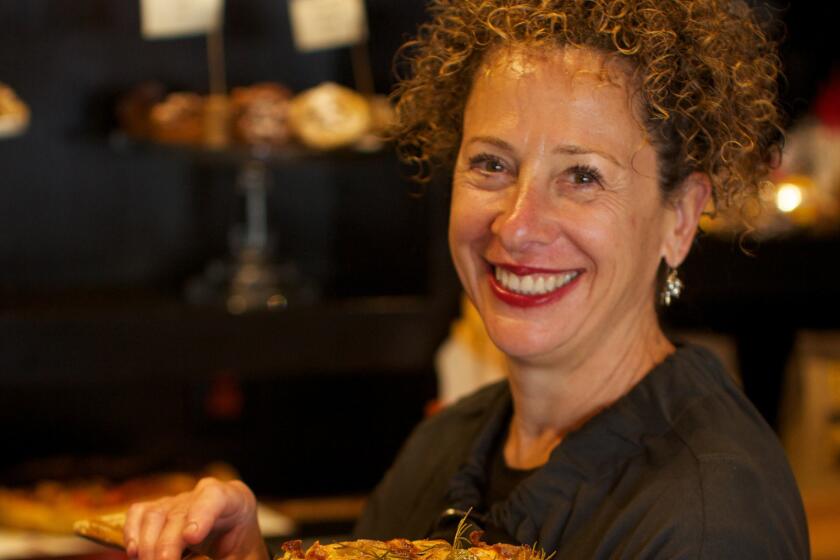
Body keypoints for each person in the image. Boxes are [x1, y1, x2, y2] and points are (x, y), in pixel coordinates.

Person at [123, 1, 810, 558]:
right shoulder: (449, 446)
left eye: (582, 176)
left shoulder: (708, 517)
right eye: (491, 165)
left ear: (680, 217)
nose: (517, 225)